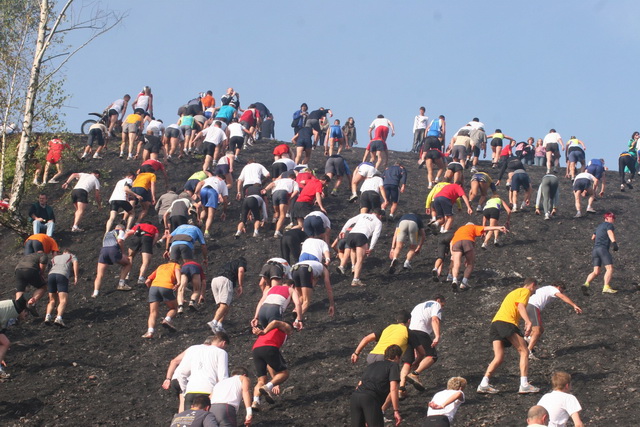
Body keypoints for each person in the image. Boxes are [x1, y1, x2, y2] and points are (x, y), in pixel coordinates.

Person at [477, 278, 540, 395]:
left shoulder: (514, 292)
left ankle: (484, 384)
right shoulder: (525, 291)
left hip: (496, 323)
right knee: (524, 351)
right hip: (506, 323)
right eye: (535, 288)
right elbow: (521, 306)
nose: (534, 291)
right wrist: (528, 322)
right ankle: (524, 384)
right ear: (532, 285)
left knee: (499, 357)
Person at [350, 344, 403, 427]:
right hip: (370, 399)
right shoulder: (393, 365)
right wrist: (396, 410)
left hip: (355, 397)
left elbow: (359, 384)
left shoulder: (372, 365)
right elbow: (393, 389)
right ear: (397, 357)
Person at [402, 297, 445, 395]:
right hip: (420, 332)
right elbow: (435, 319)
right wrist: (437, 336)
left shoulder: (418, 306)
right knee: (432, 356)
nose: (441, 309)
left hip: (409, 332)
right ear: (438, 300)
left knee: (409, 361)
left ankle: (401, 388)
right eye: (442, 306)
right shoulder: (435, 304)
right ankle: (414, 374)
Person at [526, 282, 582, 356]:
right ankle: (528, 352)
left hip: (529, 306)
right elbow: (562, 297)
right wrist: (574, 305)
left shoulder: (546, 289)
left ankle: (527, 339)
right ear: (558, 287)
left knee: (540, 330)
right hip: (533, 306)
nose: (560, 292)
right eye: (561, 291)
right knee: (537, 331)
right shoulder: (552, 289)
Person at [176, 332, 230, 407]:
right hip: (208, 392)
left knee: (189, 418)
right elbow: (223, 376)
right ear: (223, 343)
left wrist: (185, 391)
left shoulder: (197, 351)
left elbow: (181, 373)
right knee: (205, 418)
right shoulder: (221, 352)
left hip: (191, 392)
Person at [450, 223, 507, 291]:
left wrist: (452, 254)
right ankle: (463, 283)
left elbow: (452, 242)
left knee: (456, 263)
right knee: (470, 264)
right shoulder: (473, 227)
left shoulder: (459, 229)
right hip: (467, 241)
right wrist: (498, 227)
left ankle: (454, 280)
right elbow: (486, 228)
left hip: (456, 243)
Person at [250, 320, 294, 410]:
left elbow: (269, 365)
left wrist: (274, 382)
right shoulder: (287, 328)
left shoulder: (271, 333)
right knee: (285, 373)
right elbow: (275, 322)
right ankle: (267, 387)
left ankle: (255, 401)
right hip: (269, 347)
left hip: (256, 350)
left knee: (261, 380)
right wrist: (270, 385)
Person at [338, 210, 383, 287]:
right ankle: (355, 280)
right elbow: (376, 235)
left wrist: (343, 230)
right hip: (361, 236)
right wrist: (371, 247)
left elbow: (350, 220)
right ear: (380, 215)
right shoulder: (378, 222)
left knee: (353, 250)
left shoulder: (363, 215)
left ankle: (348, 266)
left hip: (351, 235)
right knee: (360, 259)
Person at [142, 260, 182, 338]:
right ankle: (167, 320)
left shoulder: (160, 266)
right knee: (174, 308)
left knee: (153, 312)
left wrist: (152, 290)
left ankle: (150, 332)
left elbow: (147, 281)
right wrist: (178, 282)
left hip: (154, 287)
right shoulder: (176, 265)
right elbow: (177, 271)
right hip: (167, 286)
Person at [582, 212, 618, 295]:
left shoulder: (599, 226)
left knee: (596, 271)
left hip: (595, 250)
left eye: (613, 218)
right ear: (606, 218)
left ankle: (586, 284)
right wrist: (614, 242)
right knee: (609, 268)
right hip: (602, 249)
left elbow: (593, 237)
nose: (613, 219)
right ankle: (606, 287)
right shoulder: (609, 225)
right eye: (611, 217)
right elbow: (610, 232)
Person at [207, 257, 247, 333]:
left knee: (224, 306)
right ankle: (214, 322)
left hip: (215, 280)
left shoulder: (228, 264)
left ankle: (219, 325)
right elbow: (241, 270)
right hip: (225, 280)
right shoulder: (241, 261)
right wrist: (240, 285)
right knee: (224, 305)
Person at [92, 224, 133, 297]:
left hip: (104, 250)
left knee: (99, 274)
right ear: (122, 228)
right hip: (113, 249)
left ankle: (95, 292)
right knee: (128, 263)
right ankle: (121, 284)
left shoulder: (108, 233)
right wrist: (123, 252)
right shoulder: (120, 231)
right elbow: (120, 241)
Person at [44, 248, 78, 328]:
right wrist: (76, 276)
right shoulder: (71, 256)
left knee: (52, 300)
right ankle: (58, 318)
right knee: (63, 300)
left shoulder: (55, 258)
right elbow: (75, 263)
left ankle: (47, 316)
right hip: (62, 275)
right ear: (68, 252)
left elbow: (49, 266)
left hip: (51, 275)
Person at [0, 296, 29, 378]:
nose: (25, 317)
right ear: (22, 310)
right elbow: (22, 300)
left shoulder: (9, 313)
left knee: (5, 343)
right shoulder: (18, 308)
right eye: (26, 314)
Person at [195, 172, 229, 238]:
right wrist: (224, 211)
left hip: (203, 190)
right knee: (210, 214)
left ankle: (201, 220)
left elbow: (199, 183)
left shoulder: (210, 178)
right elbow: (225, 200)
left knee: (204, 209)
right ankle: (206, 232)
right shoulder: (223, 182)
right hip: (212, 192)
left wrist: (196, 193)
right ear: (223, 179)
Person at [127, 220, 160, 285]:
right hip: (147, 238)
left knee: (130, 256)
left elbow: (129, 232)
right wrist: (152, 245)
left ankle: (127, 274)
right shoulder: (154, 227)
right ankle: (141, 278)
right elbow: (156, 236)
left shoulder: (138, 225)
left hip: (136, 237)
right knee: (145, 261)